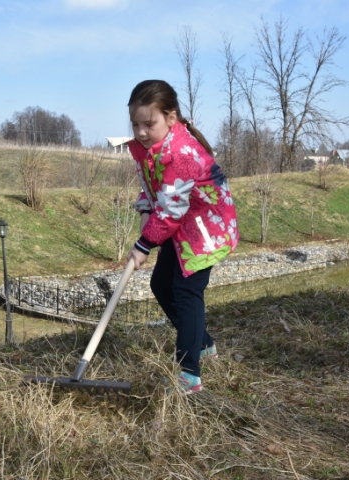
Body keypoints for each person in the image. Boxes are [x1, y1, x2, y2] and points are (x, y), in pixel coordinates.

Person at [126, 80, 239, 394]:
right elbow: (153, 187)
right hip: (180, 226)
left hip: (206, 228)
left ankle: (189, 374)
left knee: (187, 292)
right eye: (135, 124)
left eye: (149, 124)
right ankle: (202, 343)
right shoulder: (147, 147)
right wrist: (145, 209)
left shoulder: (181, 152)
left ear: (170, 117)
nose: (141, 131)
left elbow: (172, 207)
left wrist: (144, 244)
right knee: (161, 284)